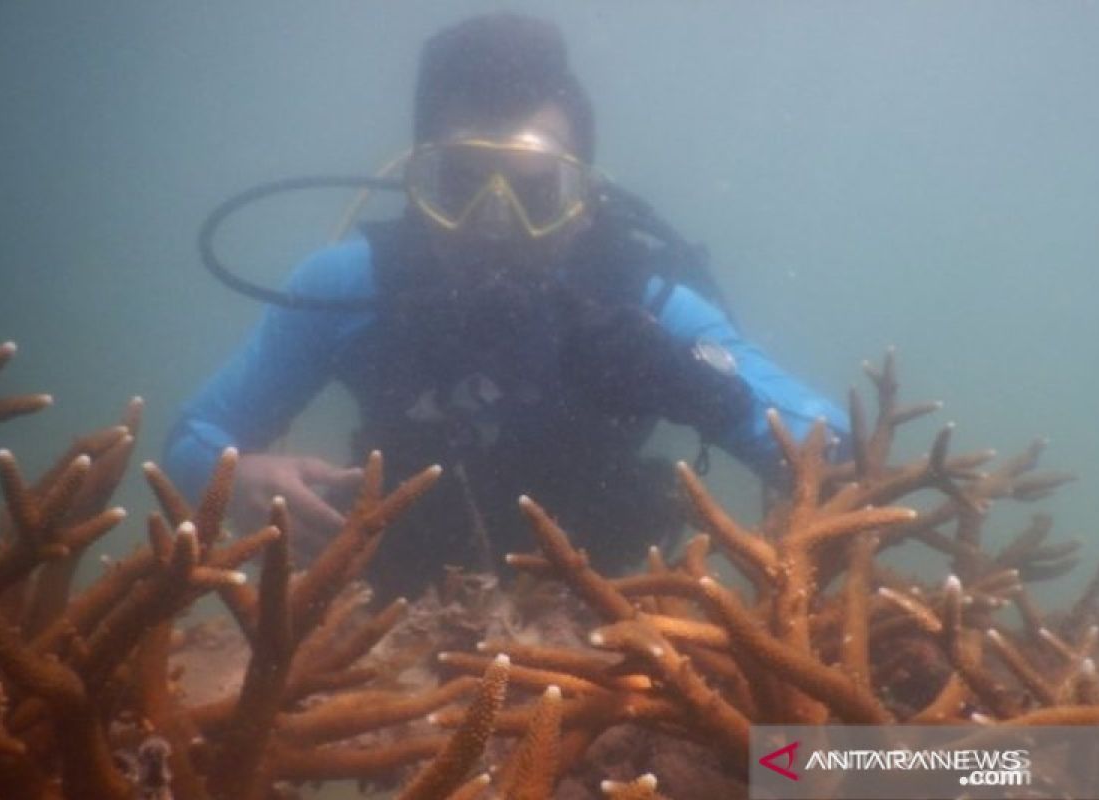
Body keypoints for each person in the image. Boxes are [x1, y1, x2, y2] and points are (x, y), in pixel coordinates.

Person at [164, 12, 848, 601]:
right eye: (459, 187)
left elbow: (839, 454)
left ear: (585, 205)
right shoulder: (346, 286)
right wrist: (240, 474)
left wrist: (705, 391)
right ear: (416, 186)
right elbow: (195, 436)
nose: (496, 224)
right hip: (391, 630)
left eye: (537, 195)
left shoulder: (641, 303)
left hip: (615, 642)